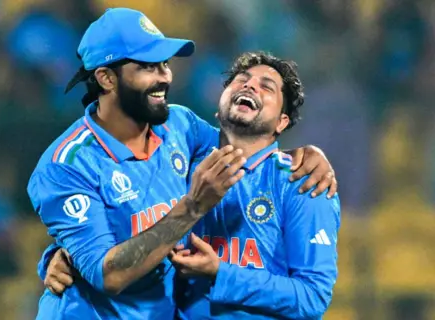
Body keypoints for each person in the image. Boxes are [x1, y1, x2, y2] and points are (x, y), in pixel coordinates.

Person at [31, 8, 338, 320]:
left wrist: (312, 154)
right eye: (149, 67)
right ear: (106, 78)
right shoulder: (65, 165)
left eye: (165, 64)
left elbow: (243, 144)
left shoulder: (180, 127)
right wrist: (68, 255)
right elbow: (108, 274)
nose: (165, 76)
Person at [170, 52, 340, 319]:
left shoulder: (303, 181)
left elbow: (312, 297)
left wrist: (222, 273)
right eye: (241, 80)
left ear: (282, 122)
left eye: (266, 86)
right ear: (220, 105)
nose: (249, 86)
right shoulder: (180, 168)